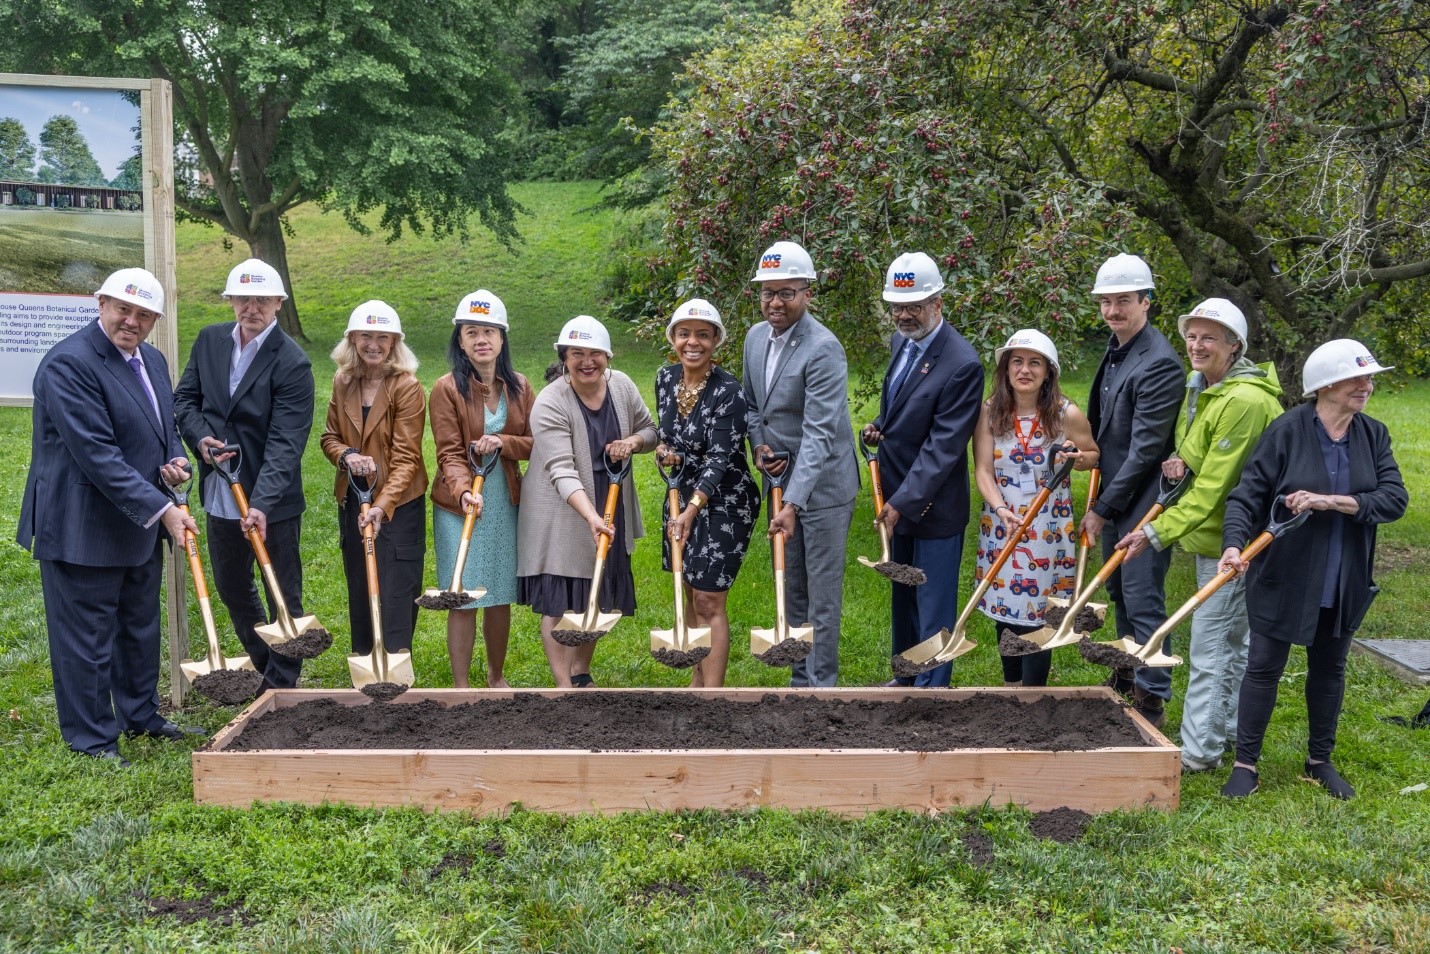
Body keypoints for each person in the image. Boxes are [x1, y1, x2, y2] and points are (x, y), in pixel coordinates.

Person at [18, 268, 204, 764]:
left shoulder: (154, 360)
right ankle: (91, 738)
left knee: (138, 628)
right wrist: (163, 508)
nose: (132, 321)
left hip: (136, 522)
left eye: (144, 314)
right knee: (86, 640)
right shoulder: (68, 365)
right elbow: (96, 454)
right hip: (82, 524)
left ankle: (139, 715)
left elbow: (164, 426)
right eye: (123, 309)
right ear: (100, 303)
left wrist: (176, 459)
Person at [1219, 339, 1407, 800]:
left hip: (1343, 577)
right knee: (1263, 666)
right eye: (1357, 379)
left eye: (1370, 378)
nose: (1368, 386)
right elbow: (1247, 496)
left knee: (1330, 667)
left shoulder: (1373, 434)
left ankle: (1319, 759)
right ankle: (1246, 765)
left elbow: (1394, 499)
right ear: (1325, 386)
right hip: (1286, 572)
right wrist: (1232, 545)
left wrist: (1333, 502)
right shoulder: (1286, 431)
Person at [1114, 299, 1282, 773]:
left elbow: (1214, 489)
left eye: (1210, 337)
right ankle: (1225, 732)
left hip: (1239, 544)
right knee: (1232, 644)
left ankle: (1197, 753)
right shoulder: (1204, 387)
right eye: (1192, 335)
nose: (1196, 345)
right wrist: (1180, 459)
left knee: (1210, 648)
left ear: (1234, 346)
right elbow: (1199, 454)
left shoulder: (1245, 402)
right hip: (1216, 539)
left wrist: (1152, 531)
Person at [174, 258, 315, 690]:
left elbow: (286, 442)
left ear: (278, 304)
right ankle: (261, 666)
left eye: (262, 300)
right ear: (231, 300)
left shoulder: (292, 362)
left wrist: (262, 503)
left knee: (282, 593)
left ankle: (283, 684)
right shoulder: (210, 340)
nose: (252, 307)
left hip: (270, 499)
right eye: (243, 298)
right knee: (232, 585)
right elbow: (185, 402)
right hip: (220, 489)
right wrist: (200, 439)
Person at [860, 253, 985, 688]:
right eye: (897, 305)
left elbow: (943, 448)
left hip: (933, 507)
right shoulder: (902, 343)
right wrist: (881, 426)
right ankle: (906, 678)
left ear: (938, 302)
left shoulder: (963, 364)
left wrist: (902, 503)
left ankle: (933, 692)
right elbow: (901, 408)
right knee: (904, 595)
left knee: (932, 604)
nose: (905, 314)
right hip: (897, 495)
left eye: (915, 305)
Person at [742, 240, 859, 688]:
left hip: (825, 489)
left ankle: (821, 689)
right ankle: (798, 682)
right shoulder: (755, 338)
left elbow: (820, 434)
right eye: (768, 292)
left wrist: (792, 501)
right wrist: (759, 448)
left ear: (807, 292)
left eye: (787, 292)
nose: (775, 302)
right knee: (791, 588)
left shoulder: (823, 349)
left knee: (821, 597)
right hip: (780, 482)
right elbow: (754, 407)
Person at [517, 315, 656, 688]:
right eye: (577, 353)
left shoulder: (622, 387)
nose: (587, 361)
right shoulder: (550, 402)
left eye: (595, 353)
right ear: (564, 357)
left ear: (608, 357)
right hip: (561, 508)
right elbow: (560, 469)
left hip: (611, 498)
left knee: (599, 589)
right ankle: (563, 683)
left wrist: (634, 443)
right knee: (561, 597)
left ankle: (581, 673)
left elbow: (650, 429)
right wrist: (591, 517)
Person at [1077, 253, 1184, 726]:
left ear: (1146, 301)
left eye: (1123, 301)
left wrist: (1101, 508)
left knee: (1142, 595)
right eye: (1106, 302)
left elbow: (1145, 452)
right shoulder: (1118, 346)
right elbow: (1106, 427)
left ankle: (1152, 697)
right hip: (1118, 485)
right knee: (1119, 590)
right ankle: (1125, 674)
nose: (1113, 311)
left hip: (1144, 495)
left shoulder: (1158, 363)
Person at [972, 329, 1098, 687]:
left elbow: (1092, 455)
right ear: (1005, 369)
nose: (1024, 370)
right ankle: (1012, 688)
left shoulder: (1065, 413)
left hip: (1047, 528)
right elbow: (982, 469)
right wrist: (999, 509)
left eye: (1034, 363)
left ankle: (1032, 693)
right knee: (1005, 611)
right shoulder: (990, 413)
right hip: (1002, 523)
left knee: (1037, 613)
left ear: (1048, 372)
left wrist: (1078, 457)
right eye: (1017, 362)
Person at [429, 290, 534, 688]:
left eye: (488, 331)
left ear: (502, 338)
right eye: (471, 332)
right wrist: (462, 493)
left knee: (499, 591)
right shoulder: (446, 389)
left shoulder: (520, 387)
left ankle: (495, 676)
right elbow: (448, 452)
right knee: (464, 592)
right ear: (460, 341)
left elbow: (535, 442)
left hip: (504, 500)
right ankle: (460, 686)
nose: (480, 340)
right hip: (462, 505)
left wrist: (503, 442)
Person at [653, 298, 759, 687]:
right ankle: (697, 684)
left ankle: (712, 698)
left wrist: (690, 511)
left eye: (702, 334)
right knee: (688, 589)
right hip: (679, 495)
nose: (692, 342)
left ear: (716, 340)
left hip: (725, 501)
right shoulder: (665, 379)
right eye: (684, 334)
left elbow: (719, 458)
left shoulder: (730, 391)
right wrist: (664, 452)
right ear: (674, 339)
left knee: (709, 598)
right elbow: (667, 437)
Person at [318, 301, 428, 659]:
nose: (374, 345)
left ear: (395, 342)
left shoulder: (407, 387)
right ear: (352, 339)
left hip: (398, 506)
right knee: (362, 588)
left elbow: (407, 457)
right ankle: (366, 672)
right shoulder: (343, 381)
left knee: (395, 591)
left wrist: (381, 506)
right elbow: (330, 437)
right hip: (354, 500)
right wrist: (348, 456)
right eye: (366, 336)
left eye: (384, 337)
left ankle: (395, 669)